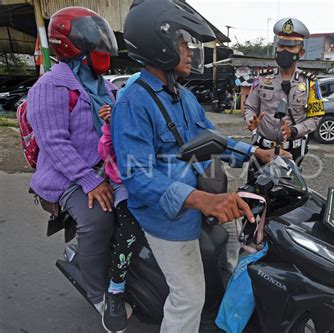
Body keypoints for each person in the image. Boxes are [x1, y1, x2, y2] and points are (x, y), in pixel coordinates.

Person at [111, 0, 280, 332]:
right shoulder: (133, 102)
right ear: (157, 43)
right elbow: (137, 175)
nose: (189, 51)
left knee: (233, 256)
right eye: (182, 42)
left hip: (205, 194)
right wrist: (202, 200)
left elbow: (210, 137)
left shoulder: (182, 96)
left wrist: (253, 152)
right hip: (167, 216)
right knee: (188, 298)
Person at [27, 6, 119, 315]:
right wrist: (89, 180)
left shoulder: (108, 89)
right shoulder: (49, 87)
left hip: (107, 169)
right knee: (98, 219)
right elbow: (54, 144)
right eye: (95, 39)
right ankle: (97, 294)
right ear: (71, 44)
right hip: (66, 176)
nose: (102, 45)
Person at [244, 17, 325, 167]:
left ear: (301, 53)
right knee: (255, 188)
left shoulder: (310, 82)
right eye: (281, 46)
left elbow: (316, 118)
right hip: (262, 148)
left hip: (292, 151)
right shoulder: (261, 78)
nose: (284, 51)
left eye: (290, 47)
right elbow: (250, 107)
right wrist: (251, 120)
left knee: (288, 190)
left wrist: (294, 131)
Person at [97, 104, 142, 332]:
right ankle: (115, 289)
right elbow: (105, 153)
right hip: (123, 186)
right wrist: (108, 126)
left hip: (154, 184)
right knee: (131, 229)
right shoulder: (118, 125)